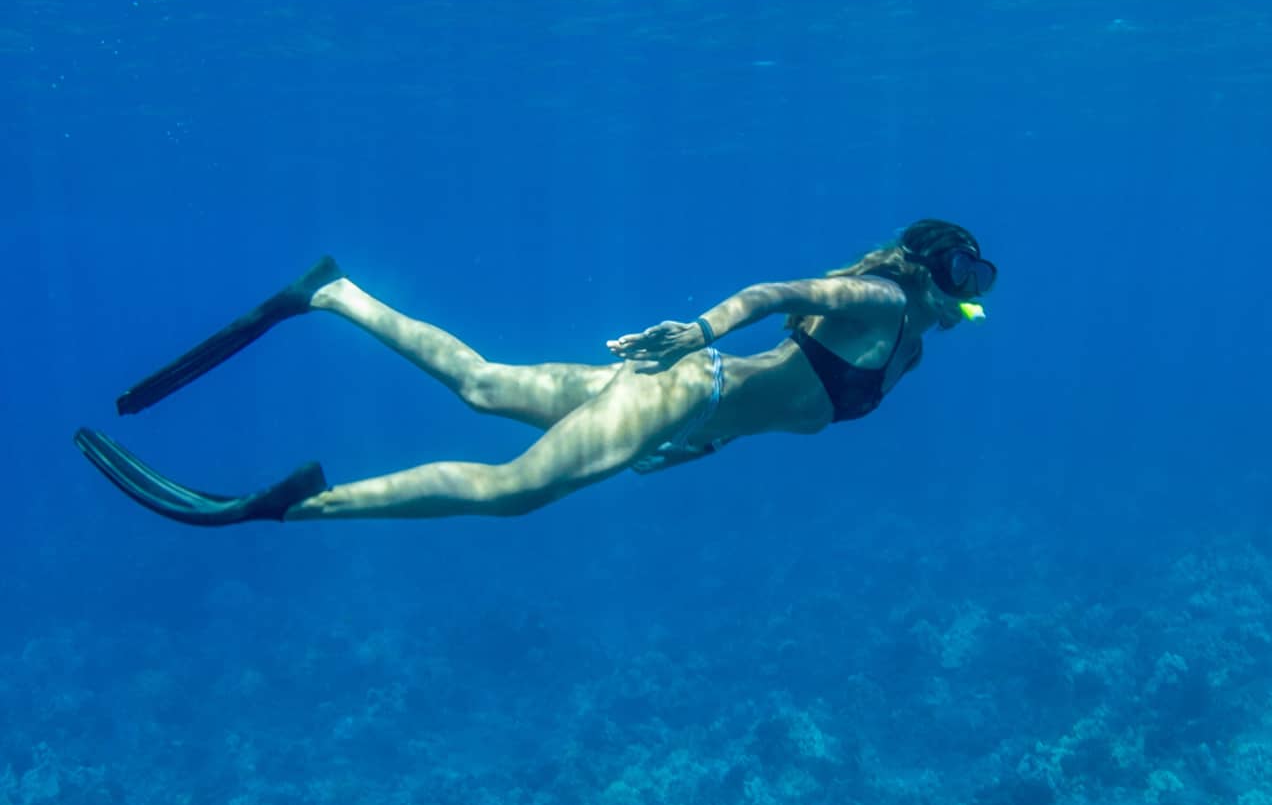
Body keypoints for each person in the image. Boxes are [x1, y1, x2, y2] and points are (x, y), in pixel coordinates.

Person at [73, 220, 996, 526]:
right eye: (965, 276)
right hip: (683, 385)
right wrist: (695, 330)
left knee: (480, 384)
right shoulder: (880, 303)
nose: (971, 297)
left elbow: (781, 390)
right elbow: (766, 294)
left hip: (691, 407)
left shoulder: (908, 344)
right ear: (927, 267)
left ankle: (334, 295)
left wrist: (703, 441)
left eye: (980, 284)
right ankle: (297, 508)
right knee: (513, 493)